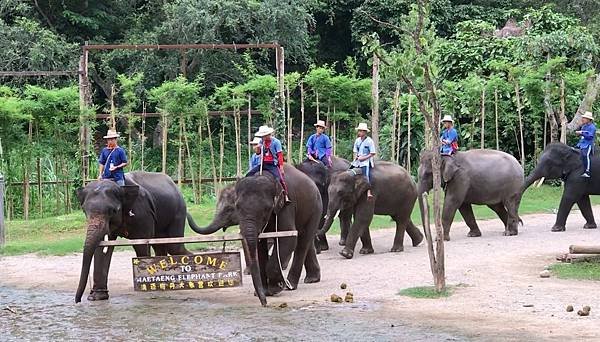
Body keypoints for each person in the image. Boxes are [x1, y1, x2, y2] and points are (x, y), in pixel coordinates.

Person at [246, 125, 291, 202]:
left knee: (279, 179)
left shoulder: (276, 142)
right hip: (263, 163)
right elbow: (258, 153)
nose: (262, 138)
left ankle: (285, 194)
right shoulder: (261, 141)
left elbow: (279, 155)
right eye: (262, 136)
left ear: (268, 135)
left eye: (263, 136)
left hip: (272, 164)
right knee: (249, 174)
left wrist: (281, 167)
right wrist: (258, 149)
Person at [350, 122, 376, 199]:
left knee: (366, 175)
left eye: (361, 131)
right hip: (357, 161)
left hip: (366, 161)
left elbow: (372, 153)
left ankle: (368, 192)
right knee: (349, 171)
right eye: (359, 131)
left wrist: (363, 158)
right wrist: (356, 158)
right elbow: (355, 151)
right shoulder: (357, 141)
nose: (360, 132)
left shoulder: (369, 141)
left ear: (365, 132)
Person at [576, 111, 596, 178]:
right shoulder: (584, 126)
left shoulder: (592, 127)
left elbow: (590, 137)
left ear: (588, 119)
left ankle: (587, 171)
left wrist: (582, 133)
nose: (583, 119)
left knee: (585, 155)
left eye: (584, 118)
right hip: (582, 144)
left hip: (588, 144)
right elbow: (582, 136)